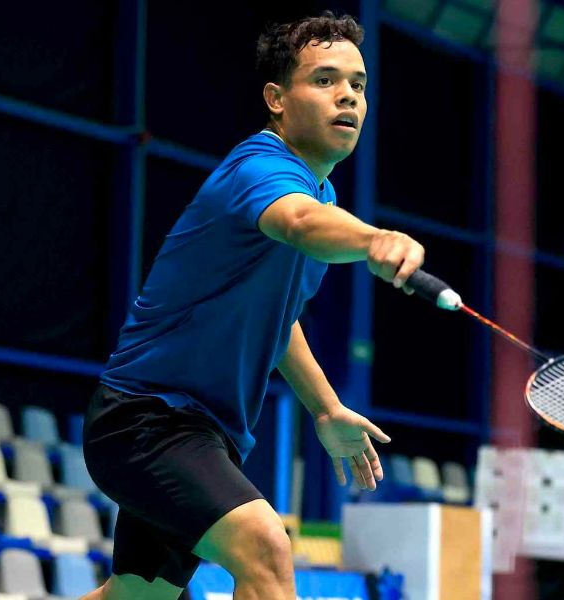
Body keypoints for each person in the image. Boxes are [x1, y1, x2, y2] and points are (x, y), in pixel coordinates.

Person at [82, 11, 425, 600]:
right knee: (266, 548)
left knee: (137, 598)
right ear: (276, 98)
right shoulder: (261, 170)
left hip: (202, 432)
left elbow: (281, 317)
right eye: (324, 80)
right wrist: (373, 239)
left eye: (358, 84)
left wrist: (326, 409)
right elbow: (298, 223)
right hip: (145, 420)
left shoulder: (323, 190)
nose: (347, 95)